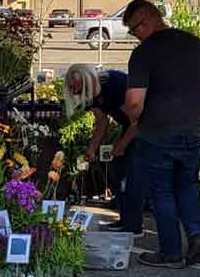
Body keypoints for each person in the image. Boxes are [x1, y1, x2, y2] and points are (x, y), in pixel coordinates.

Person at [118, 0, 200, 269]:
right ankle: (197, 235)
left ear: (145, 22)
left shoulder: (145, 53)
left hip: (157, 131)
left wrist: (135, 121)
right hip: (191, 128)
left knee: (162, 192)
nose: (135, 36)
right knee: (187, 185)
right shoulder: (195, 43)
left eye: (134, 30)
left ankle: (171, 253)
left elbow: (134, 102)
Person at [61, 63, 143, 232]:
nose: (76, 93)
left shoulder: (115, 85)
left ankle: (133, 225)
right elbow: (102, 122)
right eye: (73, 90)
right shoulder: (90, 93)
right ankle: (126, 219)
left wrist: (122, 144)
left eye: (77, 89)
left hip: (144, 127)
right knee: (119, 170)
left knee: (131, 175)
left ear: (87, 81)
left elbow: (137, 121)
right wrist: (92, 149)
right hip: (129, 127)